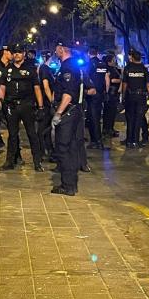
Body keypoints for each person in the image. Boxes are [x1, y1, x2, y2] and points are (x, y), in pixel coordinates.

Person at [0, 44, 44, 172]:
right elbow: (2, 88)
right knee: (12, 135)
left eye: (19, 52)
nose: (16, 54)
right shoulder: (7, 69)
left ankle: (37, 162)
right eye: (14, 52)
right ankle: (9, 161)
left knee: (32, 134)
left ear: (24, 53)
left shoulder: (30, 69)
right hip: (11, 105)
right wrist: (0, 105)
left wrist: (40, 107)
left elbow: (37, 88)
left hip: (27, 105)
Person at [51, 42, 86, 195]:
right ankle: (70, 183)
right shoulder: (71, 66)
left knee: (63, 148)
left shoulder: (68, 67)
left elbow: (68, 93)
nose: (55, 53)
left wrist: (59, 113)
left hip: (68, 112)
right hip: (73, 111)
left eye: (56, 50)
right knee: (70, 147)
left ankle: (68, 185)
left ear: (61, 49)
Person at [121, 48, 149, 148]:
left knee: (130, 119)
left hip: (130, 96)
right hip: (141, 97)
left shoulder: (128, 68)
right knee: (139, 119)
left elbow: (124, 84)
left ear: (133, 58)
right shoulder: (144, 69)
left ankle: (129, 141)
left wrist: (123, 96)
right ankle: (135, 141)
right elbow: (148, 85)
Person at [86, 48, 109, 149]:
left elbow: (86, 78)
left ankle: (96, 141)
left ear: (88, 54)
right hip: (101, 93)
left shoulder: (89, 64)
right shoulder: (102, 64)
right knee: (97, 117)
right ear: (97, 53)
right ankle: (98, 140)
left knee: (93, 118)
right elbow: (106, 79)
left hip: (92, 94)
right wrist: (106, 92)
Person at [37, 52, 55, 161]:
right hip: (46, 103)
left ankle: (49, 150)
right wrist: (52, 101)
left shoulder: (45, 68)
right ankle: (42, 151)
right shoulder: (44, 68)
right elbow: (46, 86)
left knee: (47, 128)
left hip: (46, 102)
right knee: (42, 128)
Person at [102, 53, 121, 138]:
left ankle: (109, 129)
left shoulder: (113, 68)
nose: (114, 61)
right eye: (113, 60)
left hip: (113, 93)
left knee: (110, 112)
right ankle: (108, 130)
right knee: (110, 112)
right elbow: (111, 80)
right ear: (109, 61)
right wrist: (121, 80)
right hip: (111, 93)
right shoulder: (108, 69)